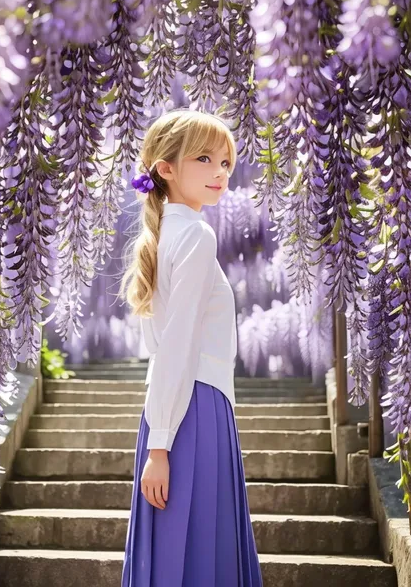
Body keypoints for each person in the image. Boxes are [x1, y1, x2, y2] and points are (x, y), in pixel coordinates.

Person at [118, 108, 263, 586]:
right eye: (205, 159)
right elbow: (175, 346)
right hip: (193, 410)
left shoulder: (163, 235)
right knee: (202, 552)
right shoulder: (196, 235)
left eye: (226, 162)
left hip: (170, 409)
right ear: (166, 168)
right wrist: (160, 448)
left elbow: (161, 349)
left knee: (172, 553)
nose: (221, 172)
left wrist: (157, 435)